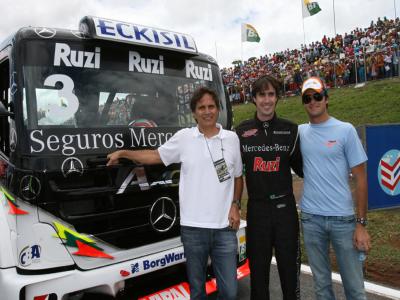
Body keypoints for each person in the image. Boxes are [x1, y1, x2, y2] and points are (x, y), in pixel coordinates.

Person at [107, 87, 243, 300]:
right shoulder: (184, 138)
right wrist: (124, 152)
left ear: (218, 109)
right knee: (197, 290)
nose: (207, 112)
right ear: (194, 112)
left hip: (224, 229)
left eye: (211, 107)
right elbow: (154, 156)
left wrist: (235, 204)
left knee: (230, 292)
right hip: (193, 230)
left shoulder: (232, 139)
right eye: (201, 108)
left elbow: (237, 176)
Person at [299, 77, 371, 300]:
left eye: (317, 96)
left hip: (343, 220)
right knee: (321, 287)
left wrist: (361, 224)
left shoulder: (345, 130)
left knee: (355, 289)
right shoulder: (299, 132)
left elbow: (361, 180)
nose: (313, 101)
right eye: (307, 98)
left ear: (327, 99)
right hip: (311, 220)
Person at [235, 75, 303, 300]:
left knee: (289, 277)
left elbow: (306, 170)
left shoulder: (291, 130)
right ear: (254, 98)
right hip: (257, 211)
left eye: (271, 94)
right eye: (262, 95)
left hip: (285, 211)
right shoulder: (240, 132)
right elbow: (231, 173)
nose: (267, 100)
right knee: (259, 280)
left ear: (277, 97)